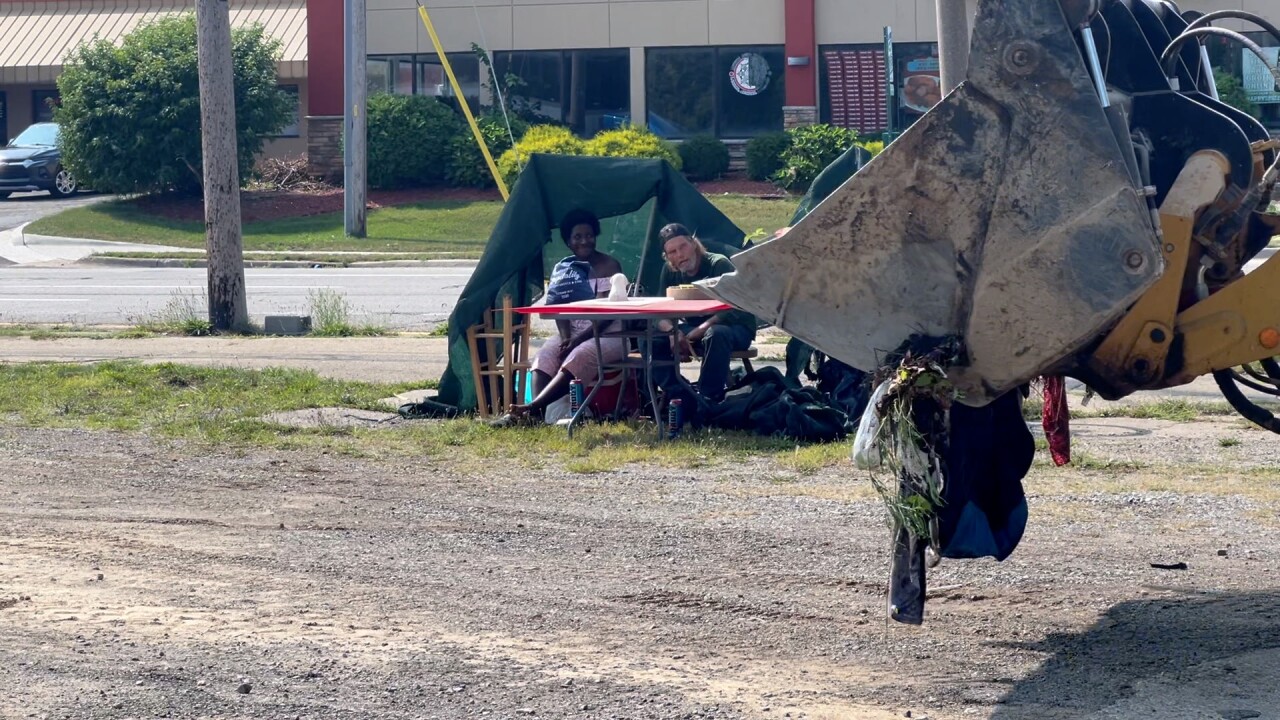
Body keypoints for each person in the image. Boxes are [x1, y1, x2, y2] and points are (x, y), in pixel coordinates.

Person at [492, 209, 627, 426]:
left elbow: (606, 315)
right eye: (578, 237)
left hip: (610, 336)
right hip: (572, 333)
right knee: (545, 355)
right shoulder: (564, 268)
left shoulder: (609, 266)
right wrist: (566, 337)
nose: (585, 241)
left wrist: (577, 340)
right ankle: (535, 417)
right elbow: (558, 307)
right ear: (568, 242)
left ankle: (531, 408)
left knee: (580, 354)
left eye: (589, 235)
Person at [649, 223, 755, 404]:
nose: (680, 254)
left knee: (716, 333)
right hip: (693, 328)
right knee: (650, 338)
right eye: (673, 252)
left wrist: (703, 327)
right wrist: (671, 332)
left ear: (693, 243)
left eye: (683, 246)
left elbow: (737, 305)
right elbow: (658, 310)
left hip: (734, 327)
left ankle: (708, 399)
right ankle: (680, 394)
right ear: (667, 257)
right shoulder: (669, 271)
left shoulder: (718, 264)